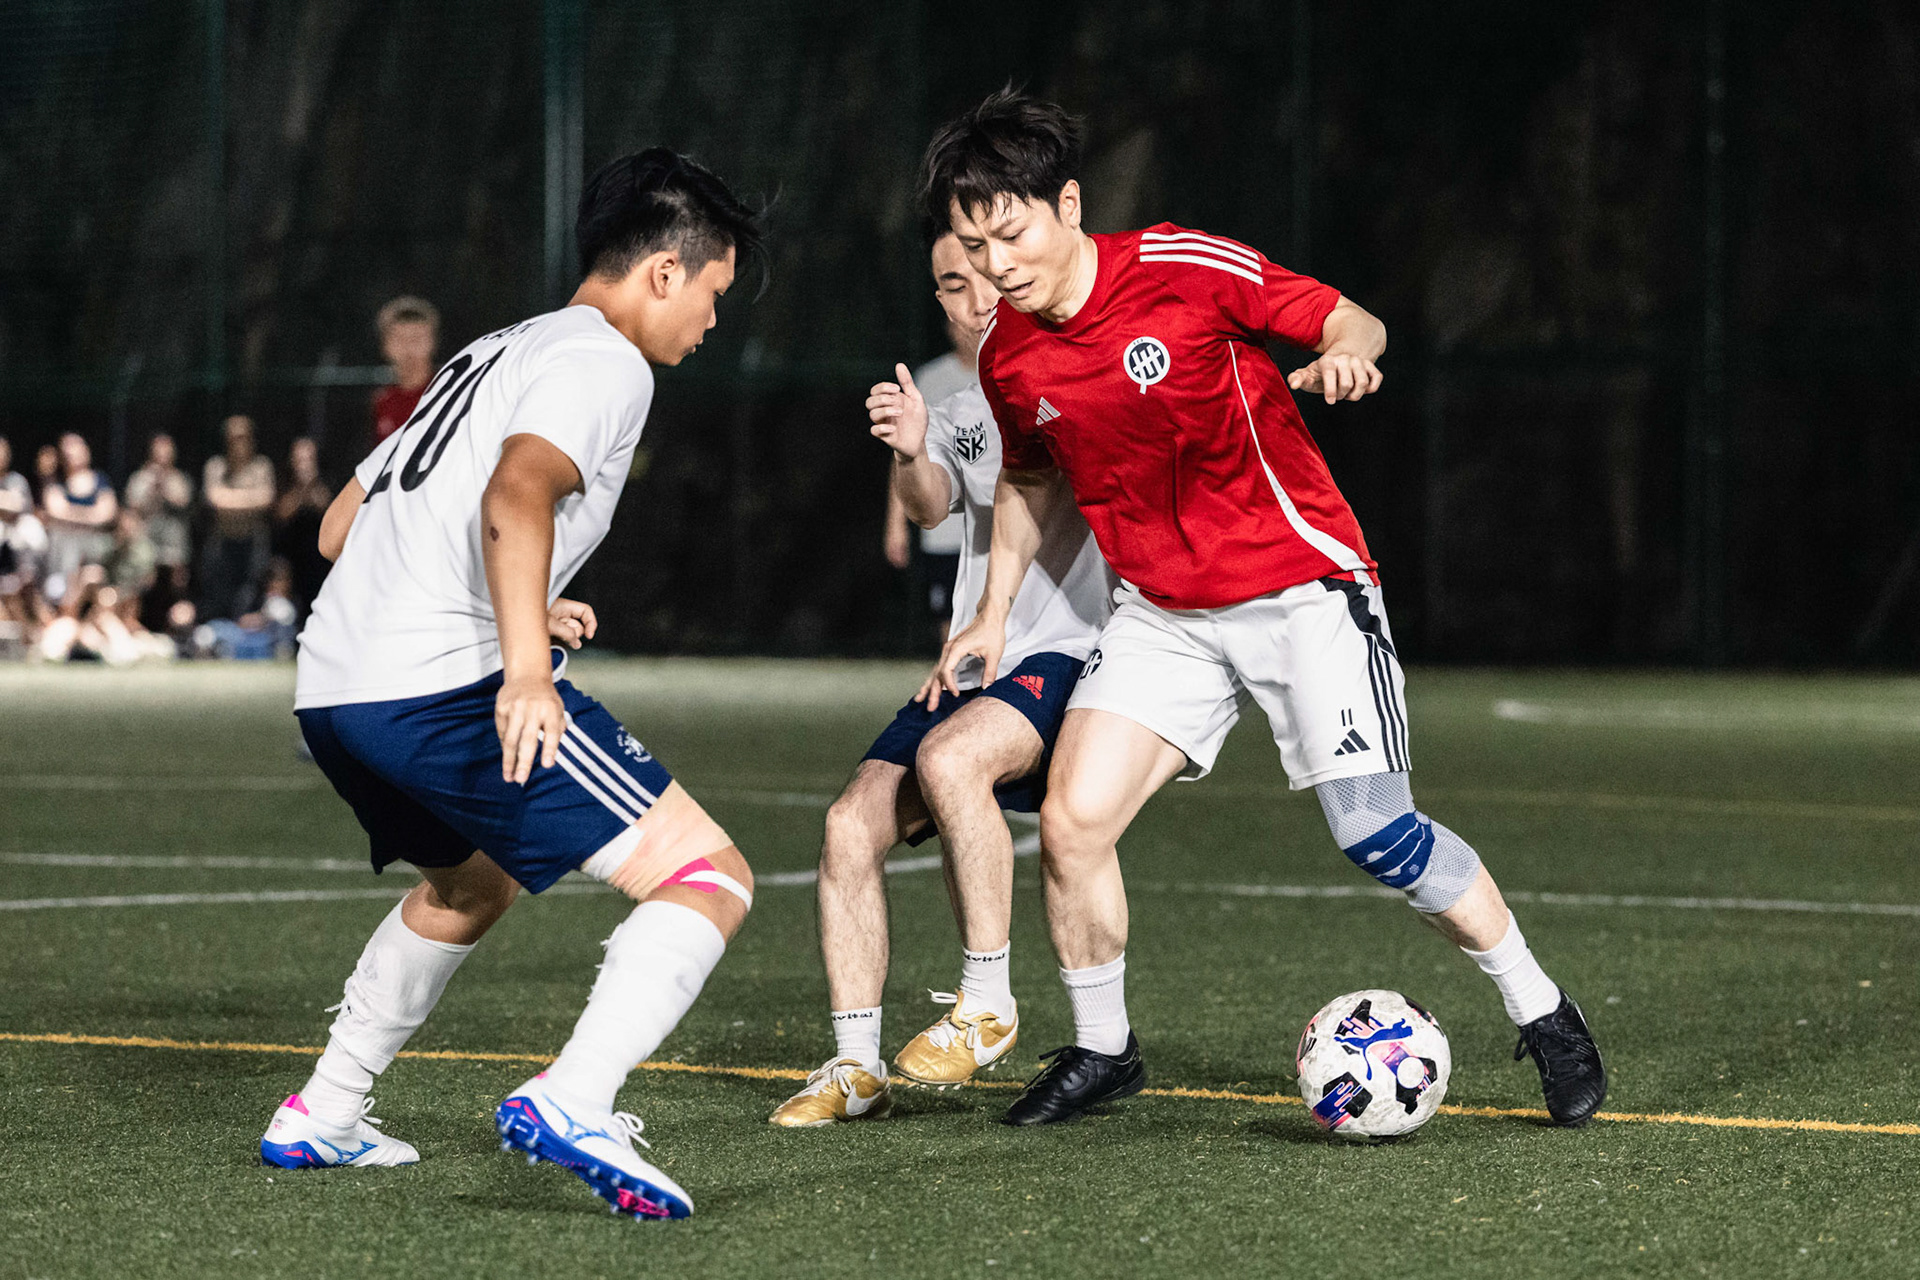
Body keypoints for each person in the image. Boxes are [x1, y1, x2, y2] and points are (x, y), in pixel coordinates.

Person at [923, 90, 1607, 1128]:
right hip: (1163, 613)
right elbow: (1025, 479)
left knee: (1375, 830)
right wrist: (991, 609)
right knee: (1070, 822)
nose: (995, 262)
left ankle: (1542, 1008)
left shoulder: (1181, 268)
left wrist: (1349, 351)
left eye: (1010, 230)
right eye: (973, 243)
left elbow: (1348, 315)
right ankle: (1105, 1049)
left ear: (1068, 202)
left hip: (1301, 588)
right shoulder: (1010, 353)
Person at [260, 148, 761, 1224]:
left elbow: (341, 528)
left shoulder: (492, 348)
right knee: (709, 877)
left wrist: (518, 606)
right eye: (715, 294)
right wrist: (525, 667)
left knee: (466, 884)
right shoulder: (606, 362)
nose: (713, 323)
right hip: (438, 689)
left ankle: (325, 1107)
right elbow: (517, 491)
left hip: (335, 687)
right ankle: (575, 1096)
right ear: (664, 272)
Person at [769, 228, 1113, 1127]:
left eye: (983, 279)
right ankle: (855, 1069)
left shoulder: (1071, 373)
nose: (973, 301)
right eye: (950, 288)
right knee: (848, 825)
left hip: (1067, 646)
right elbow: (932, 507)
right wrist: (911, 448)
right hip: (974, 656)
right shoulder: (962, 399)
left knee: (954, 762)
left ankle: (988, 999)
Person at [882, 316, 976, 642]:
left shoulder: (1004, 372)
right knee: (949, 624)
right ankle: (957, 687)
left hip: (993, 528)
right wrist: (896, 525)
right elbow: (906, 455)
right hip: (944, 530)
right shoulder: (929, 379)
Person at [199, 414, 276, 622]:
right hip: (223, 544)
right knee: (219, 597)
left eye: (242, 437)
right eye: (233, 437)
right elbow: (214, 500)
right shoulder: (216, 466)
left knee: (249, 598)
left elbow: (266, 499)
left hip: (252, 545)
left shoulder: (261, 466)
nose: (238, 442)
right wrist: (249, 499)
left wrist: (230, 498)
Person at [41, 433, 119, 593]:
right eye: (67, 451)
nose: (72, 454)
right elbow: (55, 512)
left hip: (96, 546)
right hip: (66, 552)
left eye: (76, 448)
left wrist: (71, 515)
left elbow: (107, 514)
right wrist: (90, 515)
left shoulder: (101, 480)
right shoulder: (57, 484)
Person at [124, 433, 195, 599]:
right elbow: (132, 507)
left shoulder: (179, 478)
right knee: (144, 586)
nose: (163, 454)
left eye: (167, 450)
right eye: (159, 449)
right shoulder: (139, 478)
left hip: (174, 545)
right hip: (146, 542)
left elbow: (183, 502)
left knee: (176, 586)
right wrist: (151, 489)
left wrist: (163, 485)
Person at [273, 437, 332, 617]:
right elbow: (281, 513)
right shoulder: (284, 482)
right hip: (291, 560)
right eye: (300, 460)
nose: (304, 465)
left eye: (308, 459)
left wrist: (311, 487)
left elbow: (328, 508)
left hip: (319, 560)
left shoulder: (326, 481)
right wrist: (300, 490)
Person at [371, 296, 441, 446]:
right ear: (385, 345)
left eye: (417, 338)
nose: (409, 348)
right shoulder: (378, 402)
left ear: (433, 342)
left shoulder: (451, 394)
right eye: (399, 339)